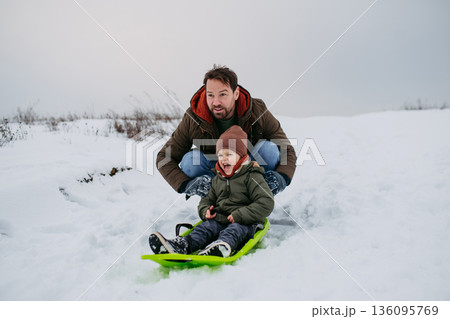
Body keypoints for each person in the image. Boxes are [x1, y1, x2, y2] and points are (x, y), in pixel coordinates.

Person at [156, 65, 297, 198]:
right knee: (190, 162)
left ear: (235, 94)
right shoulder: (193, 117)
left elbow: (287, 149)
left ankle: (255, 197)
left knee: (270, 151)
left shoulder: (257, 110)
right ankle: (215, 201)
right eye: (210, 95)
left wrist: (281, 177)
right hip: (215, 173)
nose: (216, 102)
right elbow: (164, 157)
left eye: (222, 94)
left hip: (248, 169)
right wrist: (186, 184)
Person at [149, 125, 274, 257]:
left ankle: (221, 247)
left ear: (242, 157)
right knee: (205, 228)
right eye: (220, 155)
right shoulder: (217, 178)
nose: (223, 158)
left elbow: (266, 201)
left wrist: (241, 215)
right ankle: (182, 245)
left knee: (234, 230)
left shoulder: (252, 176)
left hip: (245, 222)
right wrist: (206, 210)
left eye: (229, 154)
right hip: (219, 220)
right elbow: (206, 199)